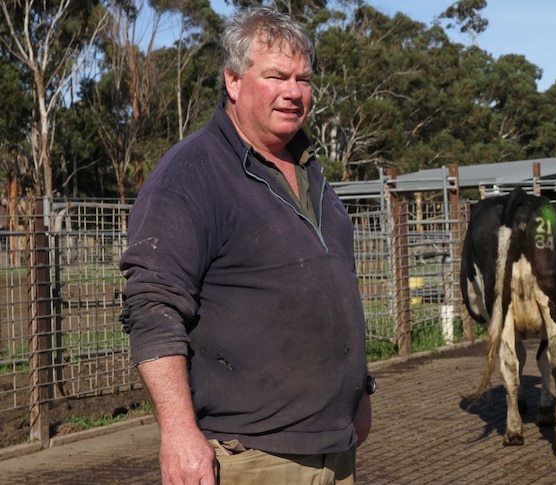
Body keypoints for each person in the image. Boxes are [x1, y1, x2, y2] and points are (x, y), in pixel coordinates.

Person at [119, 6, 372, 484]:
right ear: (233, 82)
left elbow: (338, 296)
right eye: (276, 76)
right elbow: (152, 305)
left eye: (304, 79)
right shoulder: (192, 174)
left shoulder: (313, 175)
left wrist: (360, 394)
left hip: (335, 452)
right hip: (250, 458)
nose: (294, 93)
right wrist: (177, 432)